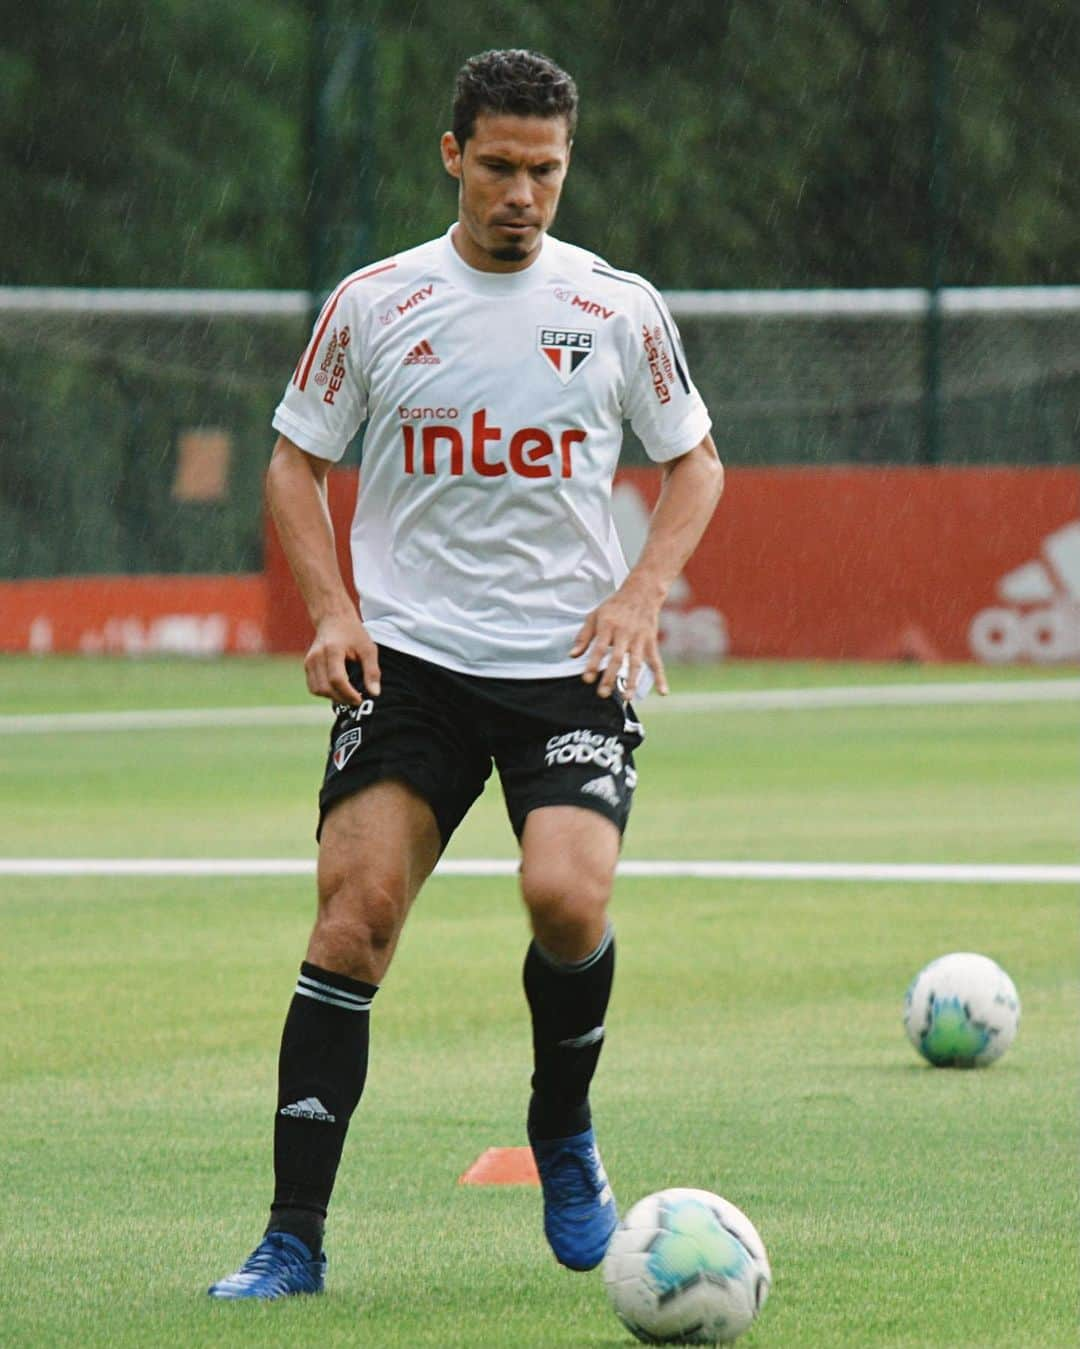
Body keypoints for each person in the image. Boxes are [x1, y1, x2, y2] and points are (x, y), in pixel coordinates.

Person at [209, 46, 723, 1300]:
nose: (522, 193)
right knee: (355, 915)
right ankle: (292, 1238)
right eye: (497, 166)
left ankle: (563, 1130)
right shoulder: (378, 301)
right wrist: (332, 610)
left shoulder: (617, 307)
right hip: (415, 664)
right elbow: (292, 463)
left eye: (544, 170)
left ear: (566, 166)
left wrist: (641, 588)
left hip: (566, 665)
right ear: (453, 156)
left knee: (566, 896)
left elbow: (696, 463)